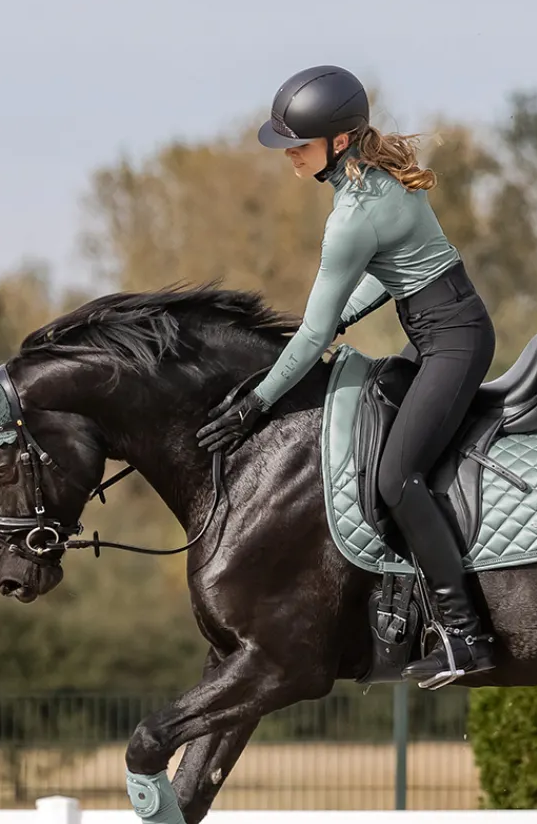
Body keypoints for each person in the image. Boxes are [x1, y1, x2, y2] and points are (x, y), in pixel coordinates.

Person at [197, 65, 497, 683]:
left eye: (297, 146)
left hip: (454, 343)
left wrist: (257, 402)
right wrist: (329, 322)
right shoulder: (374, 180)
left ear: (337, 143)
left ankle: (468, 636)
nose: (289, 158)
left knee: (397, 478)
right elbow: (384, 281)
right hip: (442, 330)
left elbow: (311, 334)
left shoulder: (353, 214)